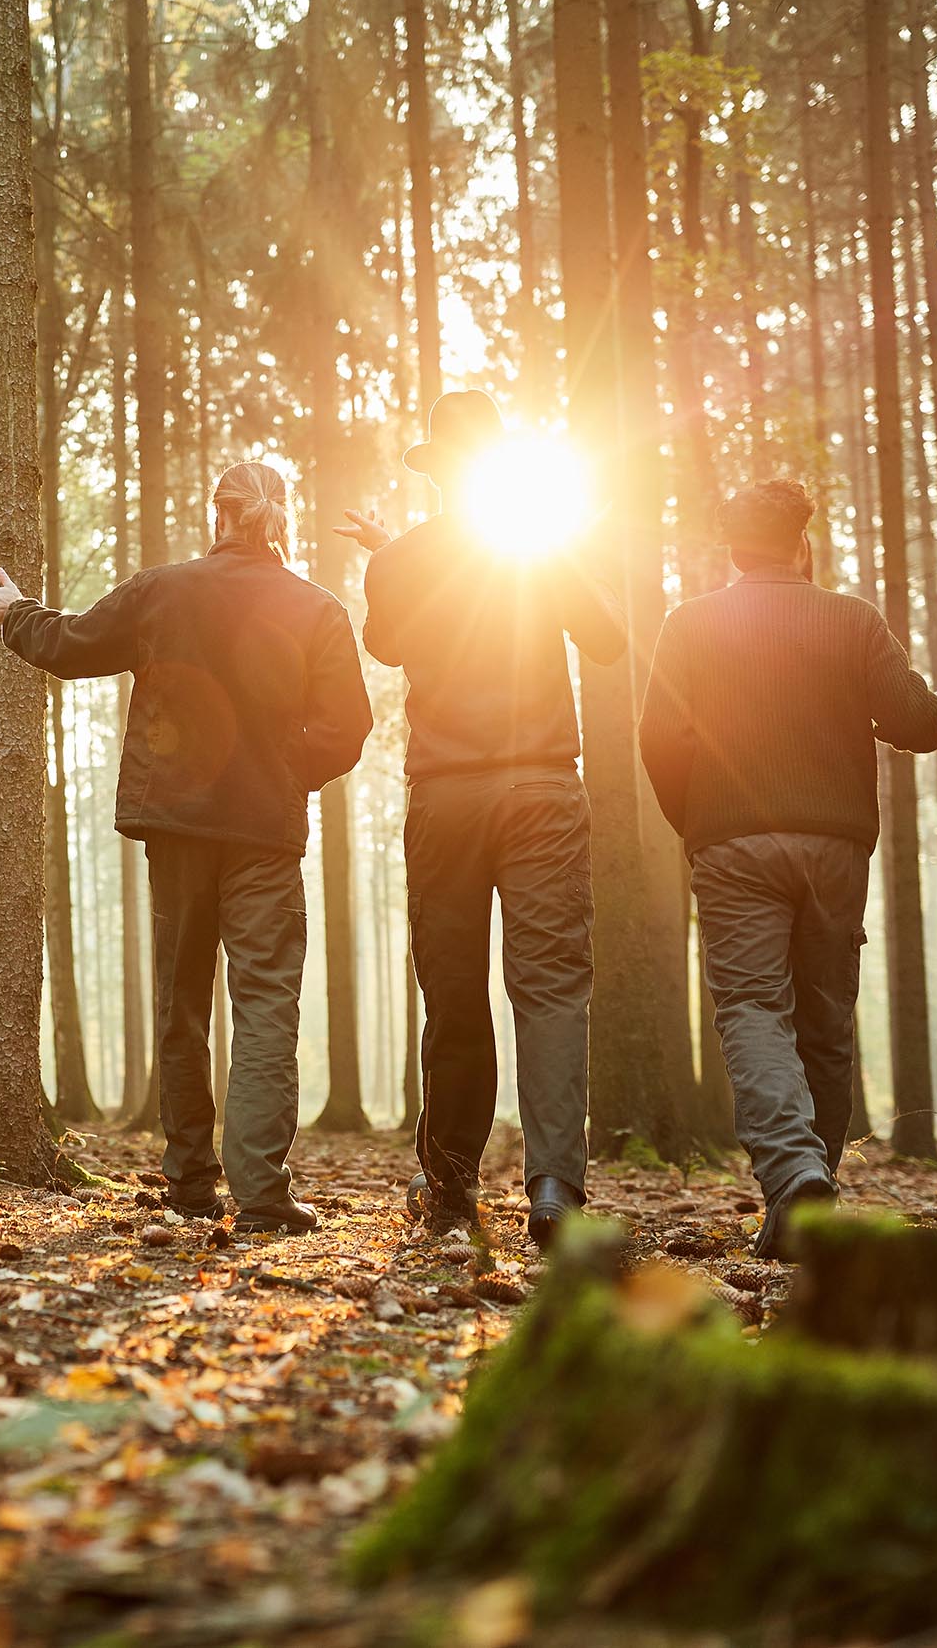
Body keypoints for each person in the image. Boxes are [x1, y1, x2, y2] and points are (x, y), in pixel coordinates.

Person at [0, 461, 373, 1234]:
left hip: (177, 829)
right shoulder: (318, 608)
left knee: (182, 1004)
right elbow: (348, 726)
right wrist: (287, 774)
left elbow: (75, 644)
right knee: (266, 1006)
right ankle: (262, 1195)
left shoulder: (164, 590)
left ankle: (189, 1183)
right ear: (280, 518)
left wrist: (18, 613)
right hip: (264, 836)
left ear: (219, 515)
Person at [337, 389, 624, 1248]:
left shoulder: (399, 561)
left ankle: (451, 1181)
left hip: (446, 797)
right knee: (551, 986)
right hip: (542, 790)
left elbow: (386, 642)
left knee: (453, 988)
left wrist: (393, 555)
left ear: (435, 472)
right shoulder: (540, 544)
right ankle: (554, 1187)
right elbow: (609, 638)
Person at [636, 478, 937, 1260]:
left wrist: (697, 823)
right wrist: (936, 702)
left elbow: (658, 739)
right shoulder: (853, 619)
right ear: (802, 543)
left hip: (732, 845)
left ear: (734, 549)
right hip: (835, 847)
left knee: (751, 1006)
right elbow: (916, 723)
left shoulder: (689, 623)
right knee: (825, 1019)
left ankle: (795, 1174)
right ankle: (810, 1183)